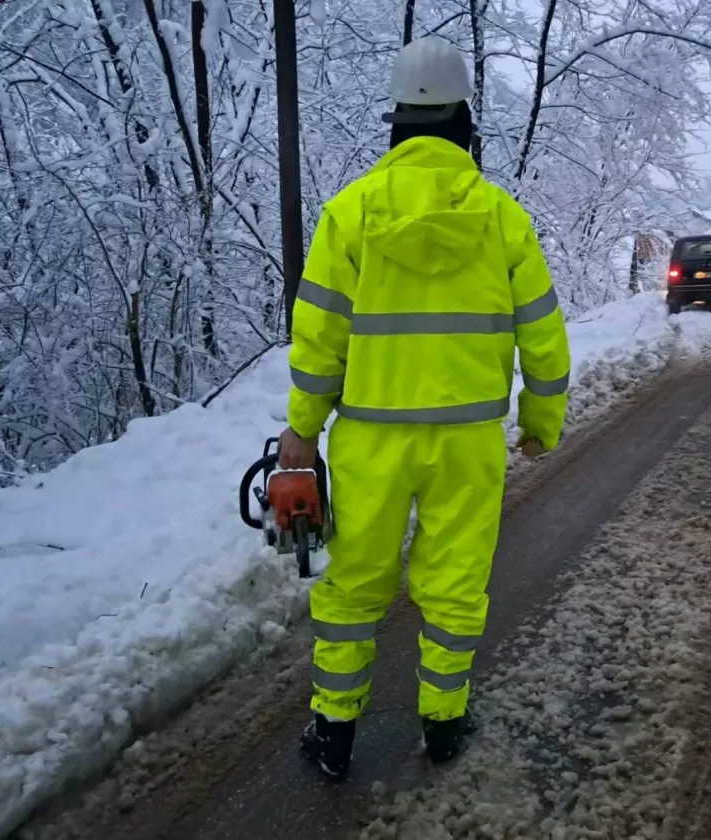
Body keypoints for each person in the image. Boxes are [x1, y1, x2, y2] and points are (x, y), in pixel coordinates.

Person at [277, 34, 571, 780]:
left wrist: (302, 432)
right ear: (465, 123)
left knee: (353, 585)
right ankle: (443, 723)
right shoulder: (504, 219)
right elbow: (543, 338)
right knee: (455, 583)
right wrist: (540, 422)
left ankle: (335, 734)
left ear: (397, 124)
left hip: (371, 440)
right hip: (468, 442)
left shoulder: (350, 214)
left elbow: (319, 338)